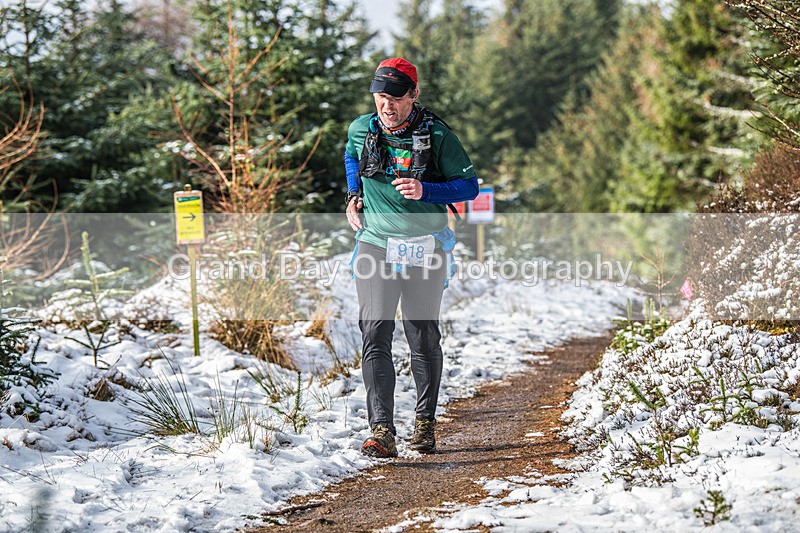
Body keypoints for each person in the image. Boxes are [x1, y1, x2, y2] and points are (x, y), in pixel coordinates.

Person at [343, 57, 479, 458]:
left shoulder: (437, 135)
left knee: (422, 336)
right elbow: (353, 158)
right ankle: (381, 430)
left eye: (397, 97)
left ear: (414, 95)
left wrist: (427, 192)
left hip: (425, 246)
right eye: (381, 96)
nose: (387, 105)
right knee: (375, 333)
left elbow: (468, 186)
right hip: (375, 244)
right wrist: (354, 194)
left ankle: (425, 423)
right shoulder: (360, 130)